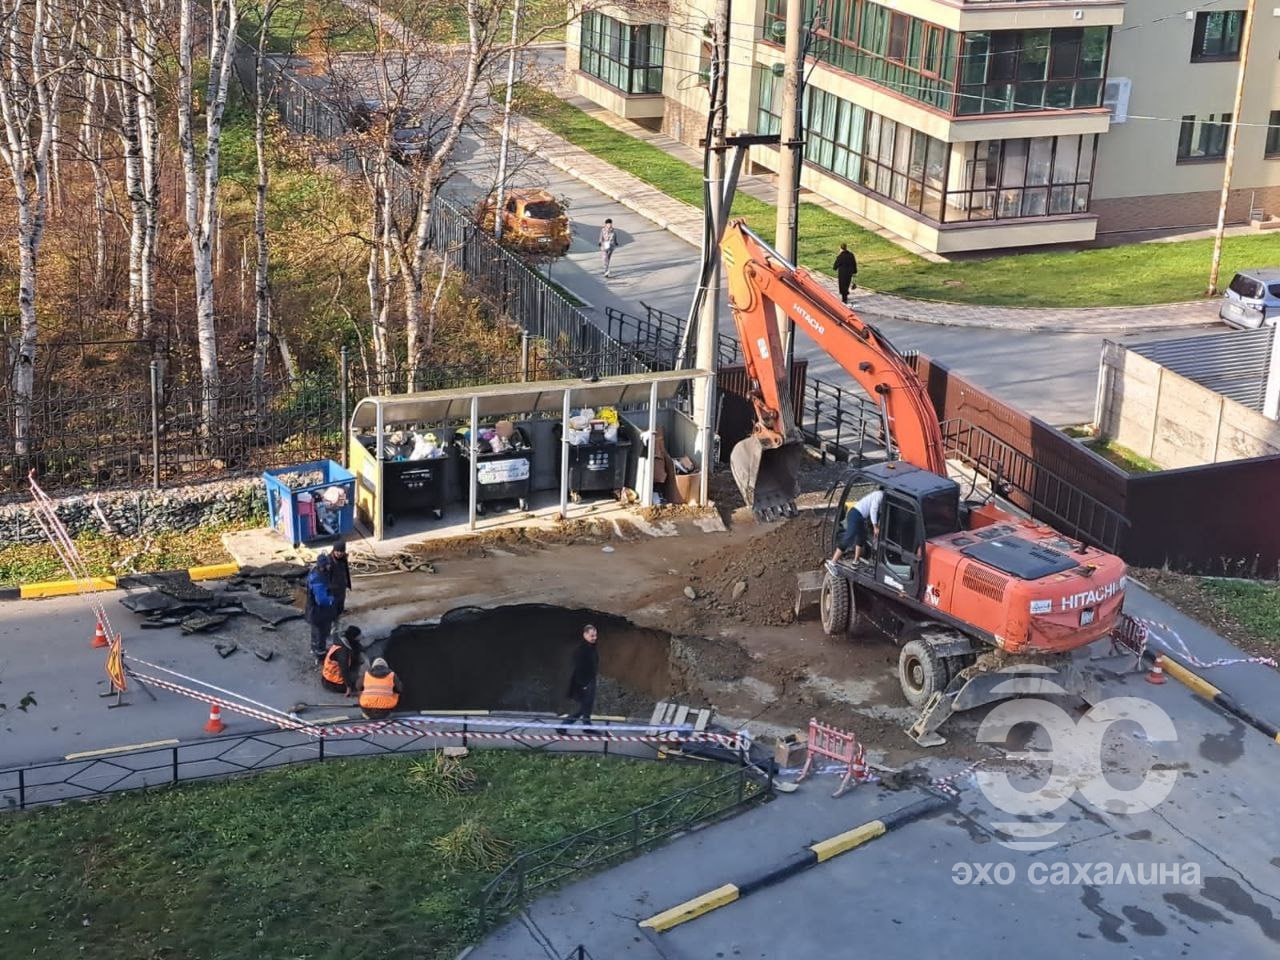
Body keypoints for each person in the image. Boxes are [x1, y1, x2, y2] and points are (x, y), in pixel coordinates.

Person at [831, 486, 883, 565]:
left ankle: (856, 561)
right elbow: (873, 510)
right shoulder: (880, 495)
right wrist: (875, 527)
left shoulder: (880, 496)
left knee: (861, 537)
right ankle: (833, 561)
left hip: (861, 517)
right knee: (849, 537)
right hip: (855, 514)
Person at [564, 623, 599, 725]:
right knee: (583, 707)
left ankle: (587, 726)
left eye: (595, 635)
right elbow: (579, 668)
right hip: (584, 682)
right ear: (585, 635)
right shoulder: (582, 650)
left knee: (587, 706)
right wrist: (584, 684)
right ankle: (564, 725)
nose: (594, 638)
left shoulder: (591, 648)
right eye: (592, 635)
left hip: (590, 680)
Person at [304, 553, 337, 661]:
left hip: (313, 612)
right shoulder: (318, 580)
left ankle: (314, 649)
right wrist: (332, 600)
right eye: (327, 564)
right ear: (323, 566)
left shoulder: (315, 573)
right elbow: (322, 600)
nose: (329, 566)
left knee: (315, 632)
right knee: (321, 634)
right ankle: (321, 655)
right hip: (319, 613)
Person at [321, 625, 364, 697]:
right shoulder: (342, 652)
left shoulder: (340, 642)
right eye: (358, 638)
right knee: (364, 679)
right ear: (353, 638)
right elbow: (344, 670)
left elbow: (357, 647)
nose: (360, 639)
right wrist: (348, 687)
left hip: (327, 678)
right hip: (334, 684)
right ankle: (354, 692)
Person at [326, 540, 352, 639]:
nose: (339, 553)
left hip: (341, 590)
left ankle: (336, 630)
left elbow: (346, 571)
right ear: (334, 550)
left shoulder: (343, 558)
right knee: (331, 612)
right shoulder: (329, 561)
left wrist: (347, 584)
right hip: (332, 592)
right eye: (337, 551)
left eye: (341, 551)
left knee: (339, 610)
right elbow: (325, 578)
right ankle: (330, 631)